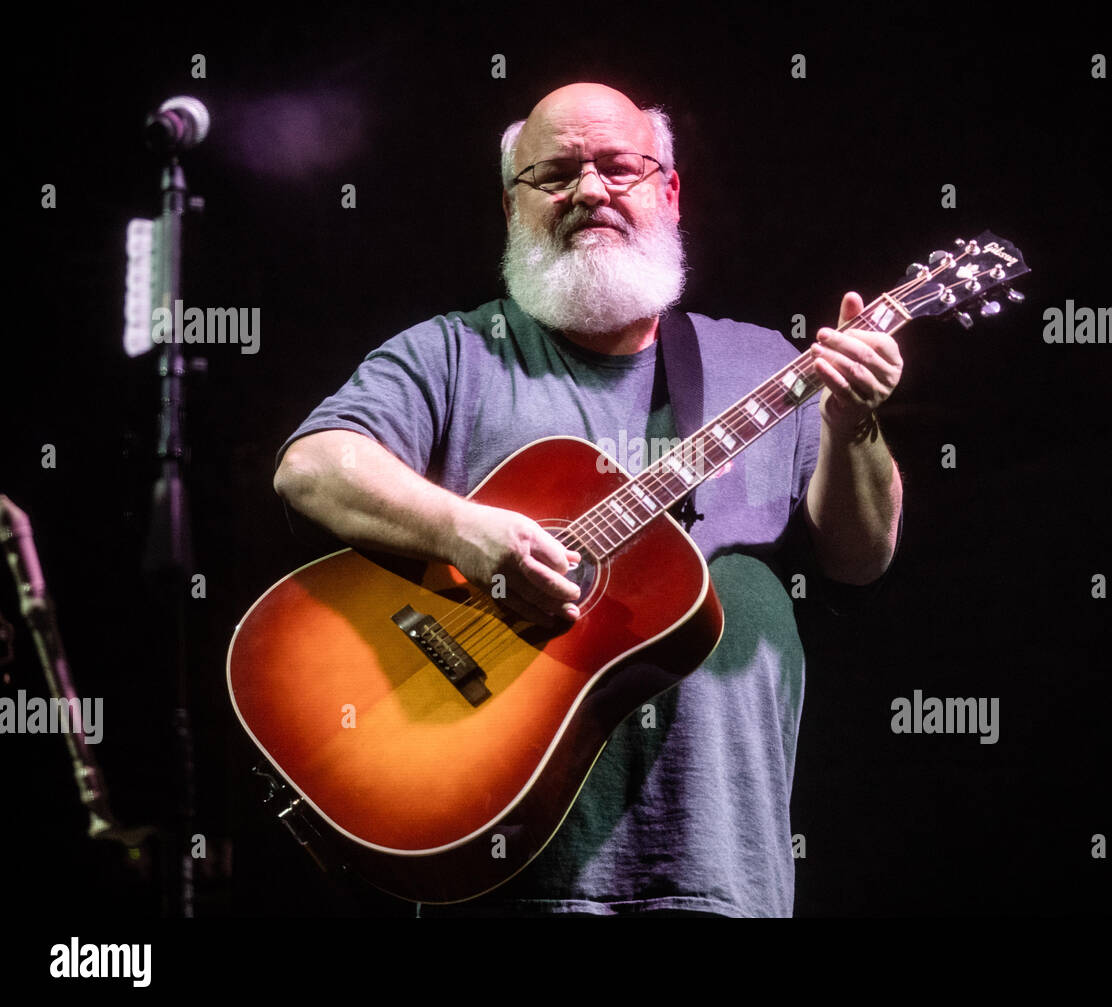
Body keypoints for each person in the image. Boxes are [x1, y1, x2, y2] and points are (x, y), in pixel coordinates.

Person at [271, 82, 903, 917]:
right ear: (510, 205)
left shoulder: (766, 366)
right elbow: (312, 467)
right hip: (511, 872)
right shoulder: (454, 353)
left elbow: (862, 556)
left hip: (726, 868)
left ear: (670, 192)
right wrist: (463, 532)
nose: (591, 191)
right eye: (555, 173)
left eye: (619, 166)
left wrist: (853, 418)